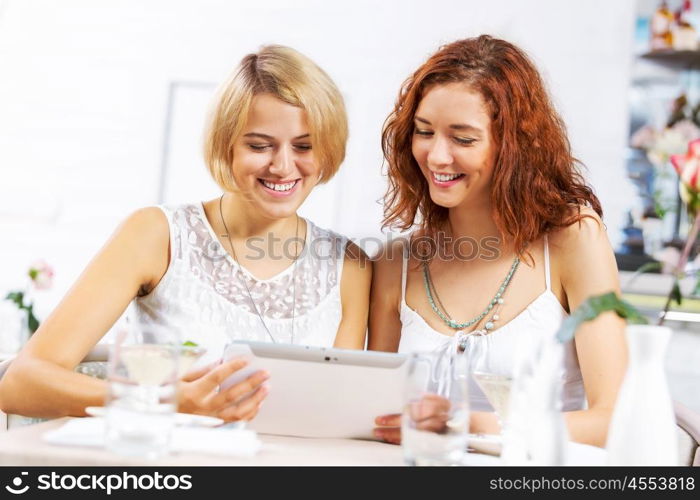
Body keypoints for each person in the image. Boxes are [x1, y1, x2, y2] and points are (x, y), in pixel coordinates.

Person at [0, 45, 370, 422]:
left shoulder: (350, 265)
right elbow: (20, 384)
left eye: (304, 146)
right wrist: (166, 400)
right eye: (259, 145)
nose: (282, 165)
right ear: (226, 145)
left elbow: (334, 417)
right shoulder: (155, 234)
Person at [369, 35, 626, 447]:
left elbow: (614, 421)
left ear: (514, 147)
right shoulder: (395, 263)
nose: (436, 156)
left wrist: (470, 425)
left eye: (463, 139)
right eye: (424, 131)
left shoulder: (573, 240)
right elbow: (377, 419)